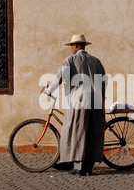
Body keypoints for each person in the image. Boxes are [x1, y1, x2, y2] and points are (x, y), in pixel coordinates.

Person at [41, 34, 107, 176]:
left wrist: (47, 90)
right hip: (96, 100)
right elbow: (103, 81)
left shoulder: (71, 60)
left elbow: (59, 76)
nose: (71, 48)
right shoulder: (96, 61)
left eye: (71, 45)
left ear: (76, 46)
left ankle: (79, 167)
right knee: (92, 132)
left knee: (77, 131)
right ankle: (88, 167)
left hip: (79, 100)